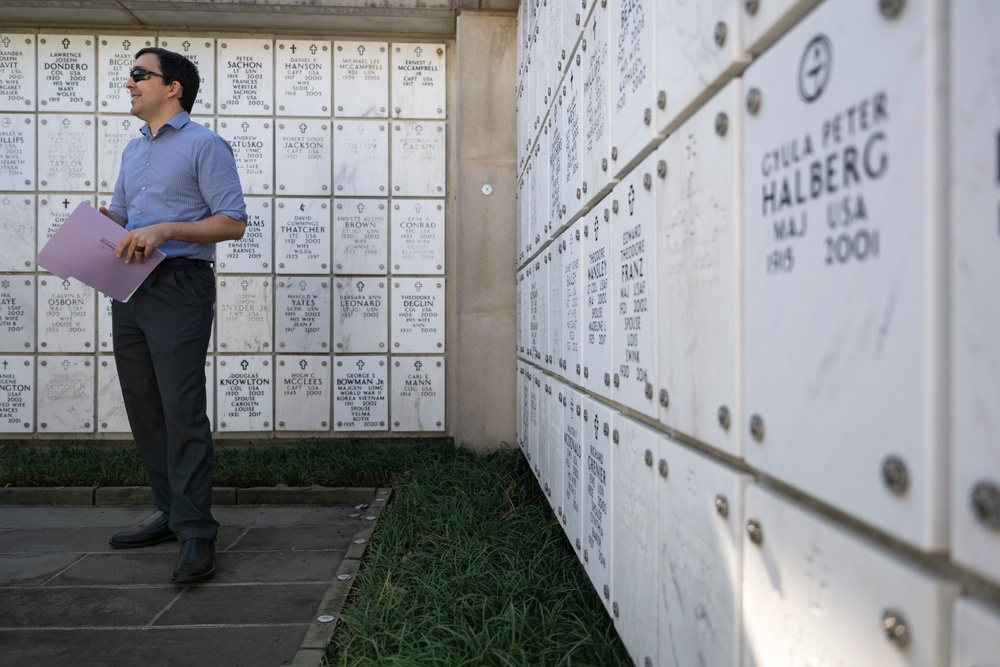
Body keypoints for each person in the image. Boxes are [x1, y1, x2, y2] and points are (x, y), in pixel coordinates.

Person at [100, 47, 247, 584]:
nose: (130, 83)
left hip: (180, 284)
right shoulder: (131, 152)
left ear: (173, 87)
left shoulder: (205, 145)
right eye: (130, 75)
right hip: (129, 285)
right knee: (144, 404)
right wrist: (103, 224)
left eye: (140, 74)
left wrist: (165, 229)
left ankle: (196, 532)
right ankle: (171, 510)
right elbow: (121, 216)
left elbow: (233, 222)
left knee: (181, 407)